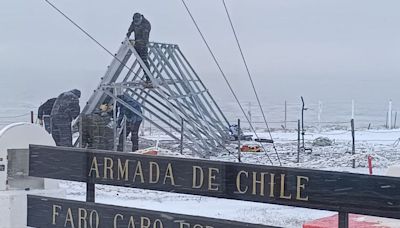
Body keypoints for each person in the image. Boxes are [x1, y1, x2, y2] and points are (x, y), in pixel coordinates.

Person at [126, 12, 152, 83]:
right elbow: (129, 31)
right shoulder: (134, 22)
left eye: (137, 22)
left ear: (140, 19)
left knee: (144, 60)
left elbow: (145, 37)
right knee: (140, 61)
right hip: (137, 44)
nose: (136, 23)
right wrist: (127, 37)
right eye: (135, 22)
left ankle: (149, 78)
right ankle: (147, 76)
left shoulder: (146, 24)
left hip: (143, 45)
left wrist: (139, 42)